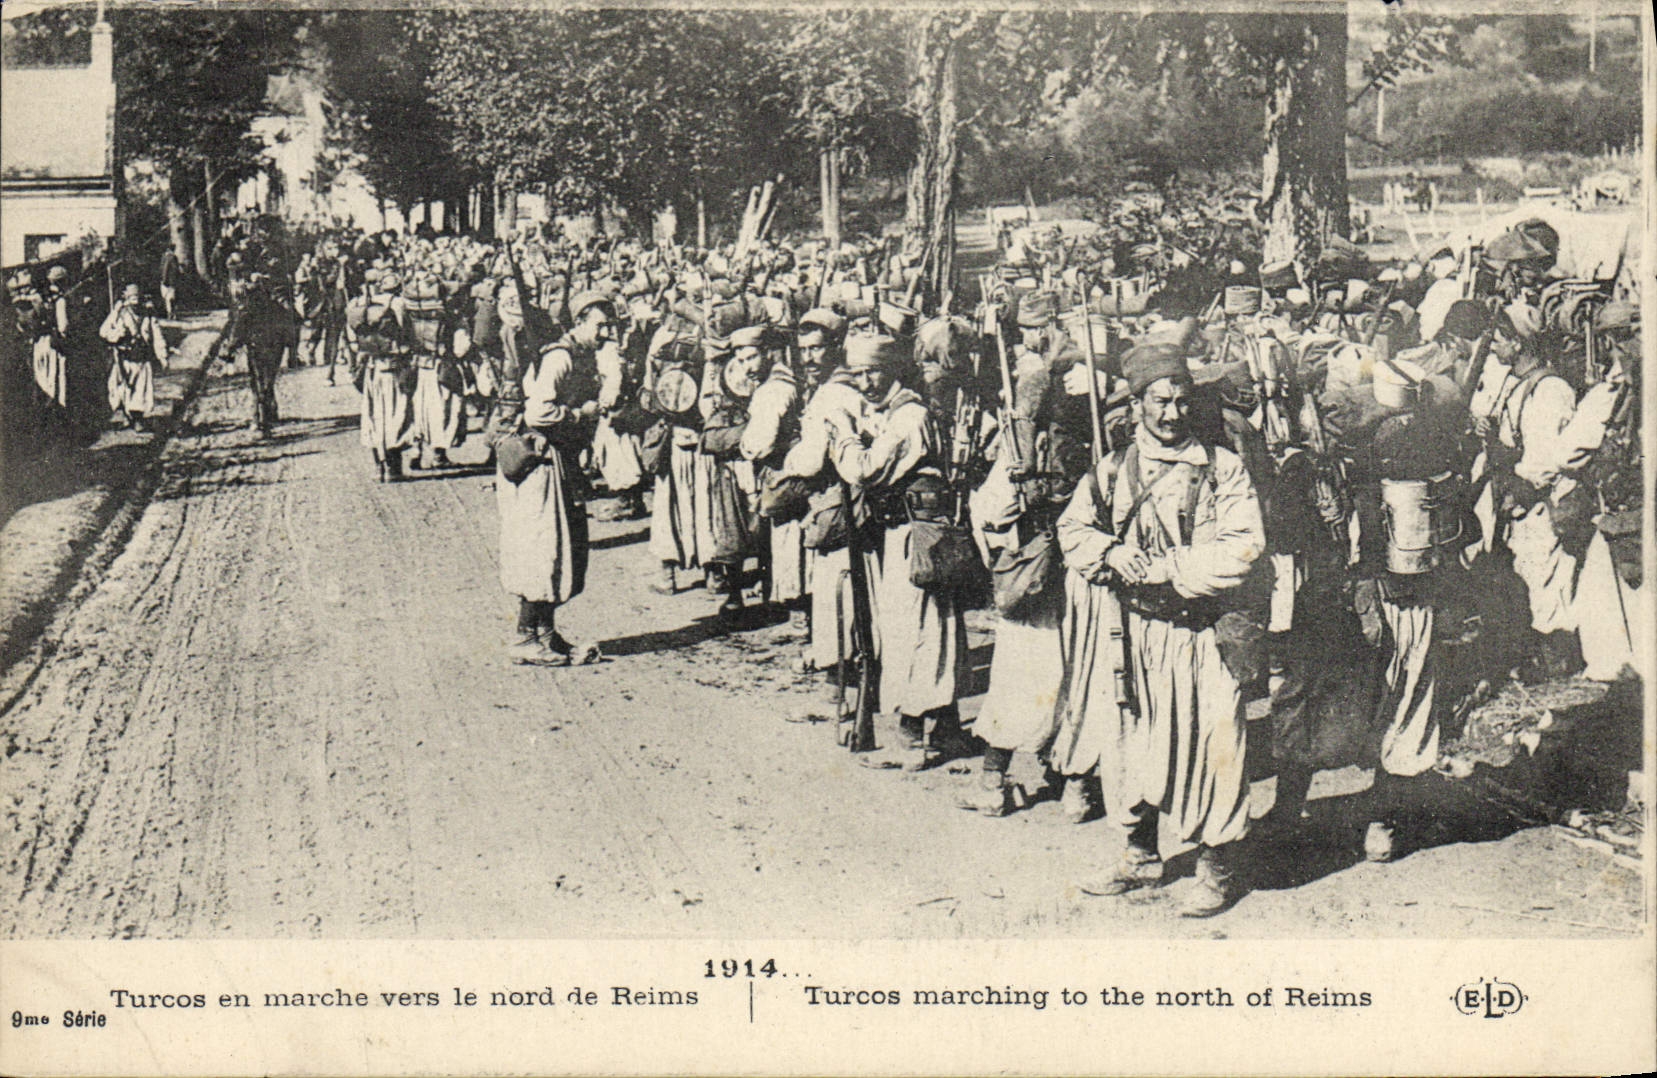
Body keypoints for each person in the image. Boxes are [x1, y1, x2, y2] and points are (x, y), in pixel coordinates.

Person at [1055, 343, 1264, 917]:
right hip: (1131, 634)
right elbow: (1072, 531)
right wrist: (1110, 552)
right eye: (1159, 402)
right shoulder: (1112, 469)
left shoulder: (1222, 468)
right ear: (1137, 405)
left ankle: (1217, 868)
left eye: (1180, 401)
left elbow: (1245, 547)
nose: (1172, 414)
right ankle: (1139, 856)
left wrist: (1170, 567)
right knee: (1132, 746)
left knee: (1215, 745)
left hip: (1204, 634)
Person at [828, 333, 970, 771]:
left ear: (893, 370)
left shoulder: (910, 416)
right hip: (905, 533)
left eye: (873, 372)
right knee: (928, 628)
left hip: (916, 536)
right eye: (857, 374)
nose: (865, 382)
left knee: (917, 630)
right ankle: (944, 728)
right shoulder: (894, 412)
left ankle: (912, 735)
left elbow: (865, 470)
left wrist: (844, 437)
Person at [497, 291, 608, 667]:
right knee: (544, 548)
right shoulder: (561, 357)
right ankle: (525, 637)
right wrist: (580, 414)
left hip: (559, 461)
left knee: (562, 547)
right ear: (580, 322)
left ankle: (545, 632)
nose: (606, 333)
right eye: (600, 325)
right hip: (542, 465)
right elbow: (539, 412)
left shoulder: (580, 354)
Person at [346, 269, 414, 480]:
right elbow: (407, 335)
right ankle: (394, 468)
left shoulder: (359, 304)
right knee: (395, 415)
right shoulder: (399, 304)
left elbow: (353, 339)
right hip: (393, 367)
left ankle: (379, 467)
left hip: (371, 368)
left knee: (373, 417)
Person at [99, 282, 169, 430]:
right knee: (123, 389)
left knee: (140, 391)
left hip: (142, 358)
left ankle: (138, 419)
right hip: (124, 359)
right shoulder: (120, 314)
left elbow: (157, 336)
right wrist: (117, 333)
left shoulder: (148, 315)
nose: (135, 304)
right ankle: (127, 416)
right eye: (132, 299)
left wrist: (162, 356)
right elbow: (104, 332)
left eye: (137, 299)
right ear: (127, 300)